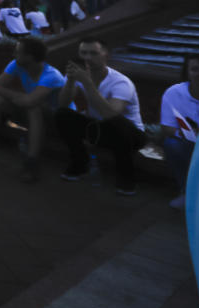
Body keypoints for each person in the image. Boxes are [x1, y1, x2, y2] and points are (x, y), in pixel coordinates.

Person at [0, 38, 65, 182]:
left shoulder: (51, 76)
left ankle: (32, 161)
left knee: (34, 108)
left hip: (56, 120)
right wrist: (19, 96)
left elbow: (30, 101)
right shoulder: (17, 65)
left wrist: (22, 97)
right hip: (30, 110)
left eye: (18, 52)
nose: (14, 54)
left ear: (30, 57)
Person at [55, 38, 145, 195]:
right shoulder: (80, 74)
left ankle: (127, 177)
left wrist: (88, 83)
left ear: (105, 55)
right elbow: (63, 103)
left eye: (93, 53)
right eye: (83, 53)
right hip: (100, 128)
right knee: (62, 115)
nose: (87, 58)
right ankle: (80, 164)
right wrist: (70, 81)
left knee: (117, 123)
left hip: (131, 135)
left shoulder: (121, 83)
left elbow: (111, 114)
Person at [159, 53, 199, 209]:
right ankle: (187, 192)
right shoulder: (174, 93)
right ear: (188, 72)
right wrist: (183, 133)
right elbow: (166, 126)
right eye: (195, 69)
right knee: (172, 144)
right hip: (190, 141)